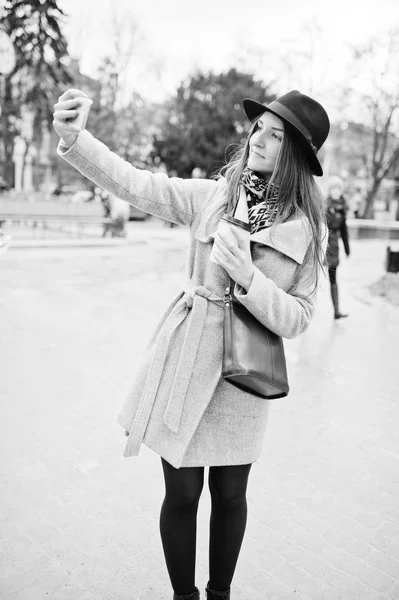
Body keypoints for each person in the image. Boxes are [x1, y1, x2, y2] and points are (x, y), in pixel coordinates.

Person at [53, 88, 330, 600]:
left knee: (230, 494)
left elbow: (300, 318)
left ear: (295, 154)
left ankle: (219, 594)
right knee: (181, 493)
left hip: (245, 374)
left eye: (276, 135)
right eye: (258, 129)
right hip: (187, 359)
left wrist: (250, 278)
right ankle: (184, 597)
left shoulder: (307, 230)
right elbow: (138, 184)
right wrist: (77, 139)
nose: (259, 141)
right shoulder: (215, 198)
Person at [325, 178, 350, 319]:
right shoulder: (323, 205)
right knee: (311, 279)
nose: (336, 191)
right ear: (329, 190)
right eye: (333, 188)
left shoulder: (342, 207)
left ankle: (336, 311)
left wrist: (347, 248)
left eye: (338, 188)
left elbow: (344, 229)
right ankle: (305, 310)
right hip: (322, 244)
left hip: (334, 246)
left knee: (333, 278)